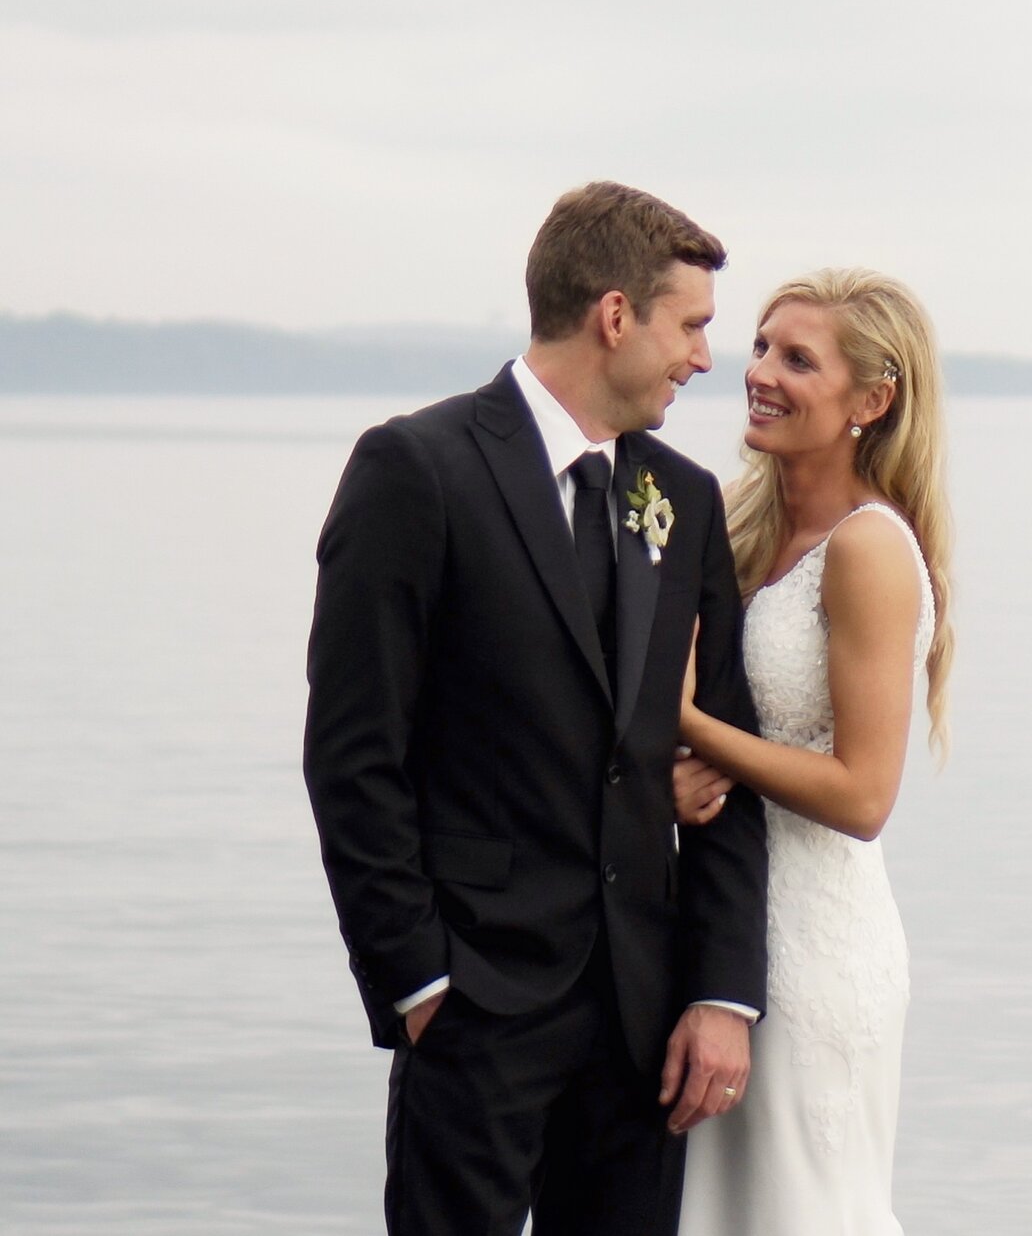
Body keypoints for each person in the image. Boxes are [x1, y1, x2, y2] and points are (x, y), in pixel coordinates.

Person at [302, 181, 770, 1235]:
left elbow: (731, 762)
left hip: (644, 1021)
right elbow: (352, 757)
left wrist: (722, 990)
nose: (705, 357)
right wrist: (418, 980)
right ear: (616, 315)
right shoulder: (416, 470)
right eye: (691, 325)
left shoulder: (683, 500)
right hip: (473, 1004)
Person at [674, 267, 955, 1236]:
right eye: (759, 345)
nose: (760, 371)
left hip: (815, 946)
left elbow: (863, 792)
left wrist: (701, 733)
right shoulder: (736, 521)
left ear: (870, 400)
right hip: (719, 923)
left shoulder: (869, 546)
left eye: (798, 358)